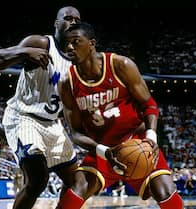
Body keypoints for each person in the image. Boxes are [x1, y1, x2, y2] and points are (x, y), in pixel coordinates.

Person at [57, 22, 184, 209]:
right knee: (76, 187)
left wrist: (151, 137)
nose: (69, 47)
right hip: (103, 152)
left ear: (92, 43)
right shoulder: (67, 83)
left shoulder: (120, 65)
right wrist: (103, 151)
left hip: (136, 143)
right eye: (66, 44)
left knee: (165, 193)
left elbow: (149, 105)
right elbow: (75, 133)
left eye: (76, 42)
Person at [0, 6, 81, 209]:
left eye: (77, 20)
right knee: (38, 180)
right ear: (56, 23)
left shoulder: (79, 60)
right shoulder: (40, 42)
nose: (73, 22)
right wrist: (25, 51)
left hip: (53, 125)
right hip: (24, 117)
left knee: (78, 183)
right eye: (67, 18)